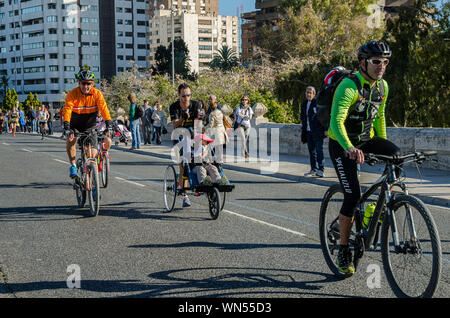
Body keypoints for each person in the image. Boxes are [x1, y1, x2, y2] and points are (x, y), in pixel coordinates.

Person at [328, 40, 400, 275]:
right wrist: (349, 147)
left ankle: (375, 210)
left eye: (385, 62)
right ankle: (344, 249)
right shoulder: (349, 86)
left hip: (365, 140)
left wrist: (385, 149)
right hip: (341, 143)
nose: (381, 66)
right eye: (376, 62)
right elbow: (335, 123)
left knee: (397, 156)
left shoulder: (383, 87)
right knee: (353, 195)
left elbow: (379, 118)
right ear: (363, 63)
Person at [62, 67, 113, 179]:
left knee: (92, 154)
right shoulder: (72, 94)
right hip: (75, 124)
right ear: (79, 83)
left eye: (88, 84)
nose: (86, 86)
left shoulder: (97, 94)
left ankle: (92, 183)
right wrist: (66, 125)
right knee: (71, 140)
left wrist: (109, 123)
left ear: (92, 84)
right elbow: (67, 110)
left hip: (90, 126)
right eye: (83, 83)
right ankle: (73, 166)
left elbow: (104, 109)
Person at [169, 82, 203, 208]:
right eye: (183, 96)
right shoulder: (174, 107)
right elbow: (176, 125)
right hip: (178, 137)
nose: (186, 98)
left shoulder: (196, 104)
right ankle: (184, 195)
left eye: (188, 95)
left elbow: (198, 125)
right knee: (183, 164)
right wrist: (183, 118)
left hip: (192, 136)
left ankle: (199, 182)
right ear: (179, 95)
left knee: (200, 159)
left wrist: (199, 120)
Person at [300, 86, 328, 177]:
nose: (308, 94)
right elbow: (303, 116)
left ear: (314, 94)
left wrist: (325, 129)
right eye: (307, 92)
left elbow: (324, 117)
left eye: (310, 93)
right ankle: (313, 169)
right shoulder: (304, 104)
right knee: (311, 151)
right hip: (308, 131)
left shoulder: (317, 103)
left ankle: (321, 169)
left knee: (319, 150)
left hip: (317, 131)